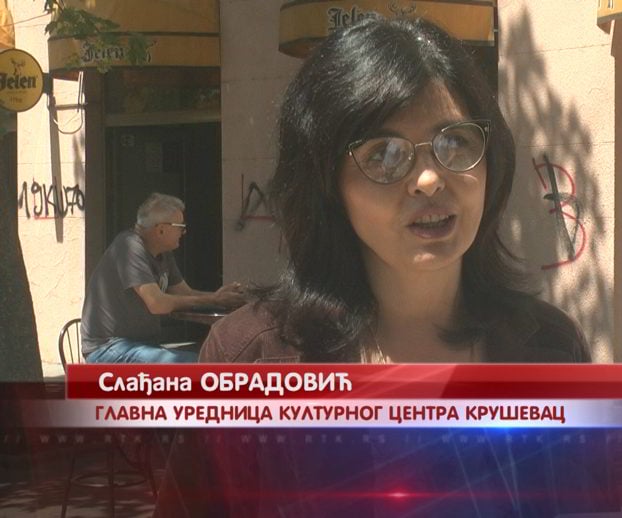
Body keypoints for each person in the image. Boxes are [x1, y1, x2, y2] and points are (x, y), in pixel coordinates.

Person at [155, 17, 597, 516]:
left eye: (455, 142)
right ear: (328, 185)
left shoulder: (550, 348)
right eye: (384, 154)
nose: (429, 179)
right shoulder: (248, 358)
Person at [81, 193, 246, 363]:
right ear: (161, 229)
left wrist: (219, 298)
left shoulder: (162, 252)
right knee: (196, 364)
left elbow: (184, 293)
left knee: (212, 356)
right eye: (181, 226)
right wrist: (214, 299)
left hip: (142, 346)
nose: (184, 232)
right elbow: (157, 303)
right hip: (108, 348)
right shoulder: (129, 246)